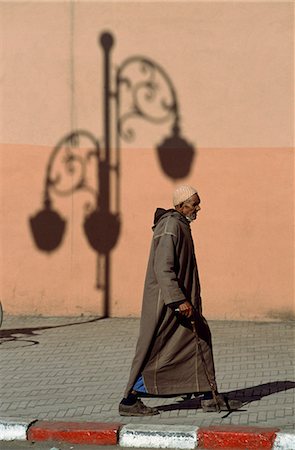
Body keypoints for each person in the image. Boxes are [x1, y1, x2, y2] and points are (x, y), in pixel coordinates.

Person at [119, 185, 242, 416]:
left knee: (198, 342)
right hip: (166, 305)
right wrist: (177, 300)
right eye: (194, 204)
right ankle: (129, 400)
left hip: (181, 301)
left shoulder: (179, 225)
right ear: (180, 206)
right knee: (156, 349)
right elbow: (163, 268)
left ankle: (209, 396)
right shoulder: (170, 226)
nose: (198, 208)